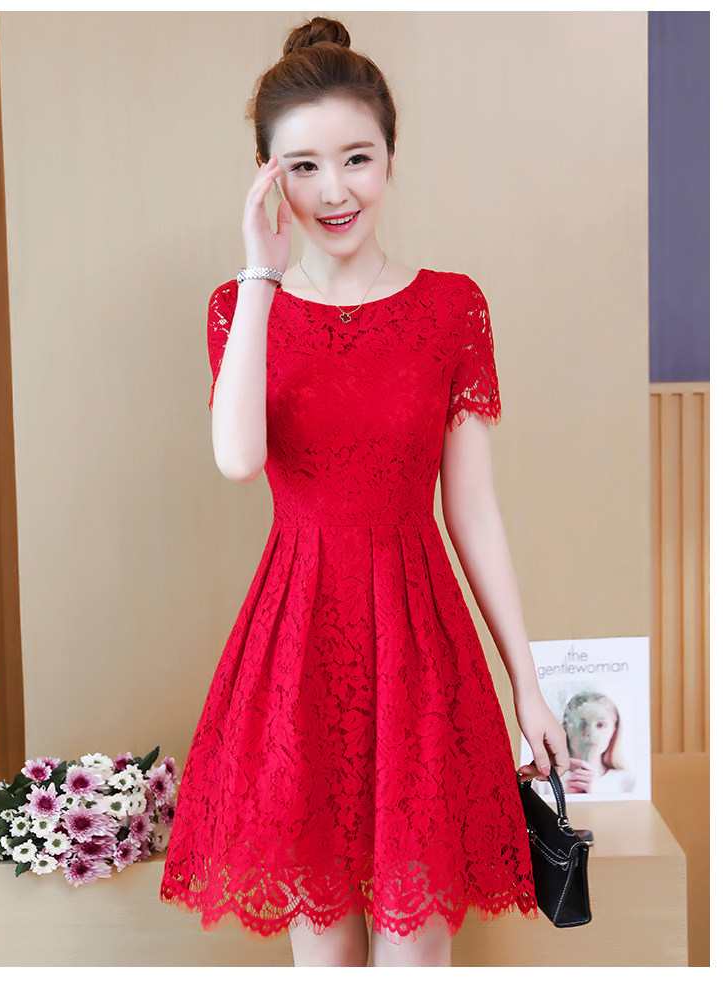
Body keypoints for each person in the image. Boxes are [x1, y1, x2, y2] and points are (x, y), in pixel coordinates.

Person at [159, 16, 569, 967]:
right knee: (325, 962)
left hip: (421, 650)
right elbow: (237, 458)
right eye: (303, 167)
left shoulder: (452, 307)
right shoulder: (240, 307)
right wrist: (260, 273)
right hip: (297, 649)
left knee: (414, 962)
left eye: (357, 158)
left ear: (391, 157)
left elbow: (472, 511)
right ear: (268, 178)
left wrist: (528, 683)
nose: (335, 190)